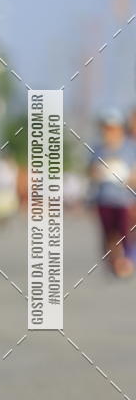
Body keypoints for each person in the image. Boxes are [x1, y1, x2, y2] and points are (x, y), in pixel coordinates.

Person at [88, 108, 136, 278]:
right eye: (106, 128)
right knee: (108, 234)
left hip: (124, 200)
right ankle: (112, 262)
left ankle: (126, 262)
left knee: (125, 233)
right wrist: (100, 172)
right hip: (104, 198)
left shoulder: (130, 148)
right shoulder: (98, 149)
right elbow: (90, 171)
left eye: (112, 128)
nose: (108, 132)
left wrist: (127, 176)